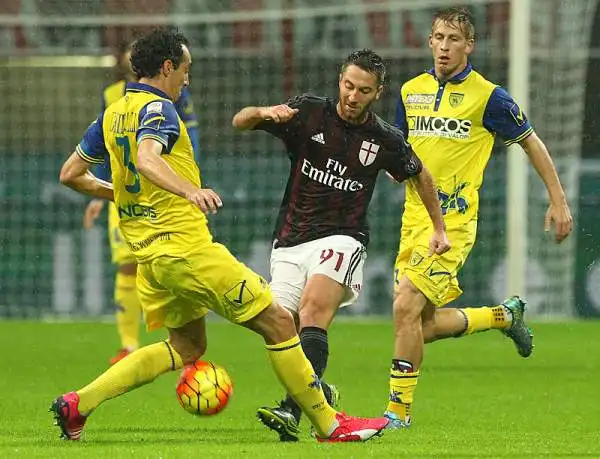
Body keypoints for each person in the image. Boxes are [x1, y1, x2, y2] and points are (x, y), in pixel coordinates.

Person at [51, 28, 389, 443]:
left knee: (187, 347)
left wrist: (116, 192)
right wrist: (189, 189)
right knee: (281, 322)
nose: (187, 80)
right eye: (185, 70)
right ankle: (329, 424)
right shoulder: (160, 111)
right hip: (187, 250)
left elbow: (70, 174)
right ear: (167, 67)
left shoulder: (113, 112)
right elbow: (146, 157)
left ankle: (77, 405)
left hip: (151, 259)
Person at [232, 49, 450, 441]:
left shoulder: (384, 138)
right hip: (289, 240)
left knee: (313, 310)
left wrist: (439, 228)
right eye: (348, 86)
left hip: (342, 237)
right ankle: (319, 392)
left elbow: (422, 176)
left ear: (377, 92)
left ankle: (292, 409)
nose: (352, 96)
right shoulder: (309, 112)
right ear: (339, 81)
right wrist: (267, 112)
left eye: (363, 90)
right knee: (281, 328)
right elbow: (240, 121)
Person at [384, 7, 574, 429]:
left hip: (452, 224)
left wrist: (558, 200)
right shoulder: (410, 91)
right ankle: (503, 316)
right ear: (430, 41)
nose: (444, 47)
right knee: (422, 325)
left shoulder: (490, 97)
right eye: (438, 38)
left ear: (469, 45)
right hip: (413, 221)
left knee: (404, 307)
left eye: (454, 39)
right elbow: (399, 154)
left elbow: (532, 142)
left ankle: (396, 414)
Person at [82, 41, 201, 365]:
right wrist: (101, 192)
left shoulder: (173, 96)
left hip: (166, 195)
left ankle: (184, 346)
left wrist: (190, 186)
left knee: (174, 264)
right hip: (128, 196)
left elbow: (188, 141)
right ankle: (129, 344)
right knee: (127, 263)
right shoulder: (112, 98)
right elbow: (107, 149)